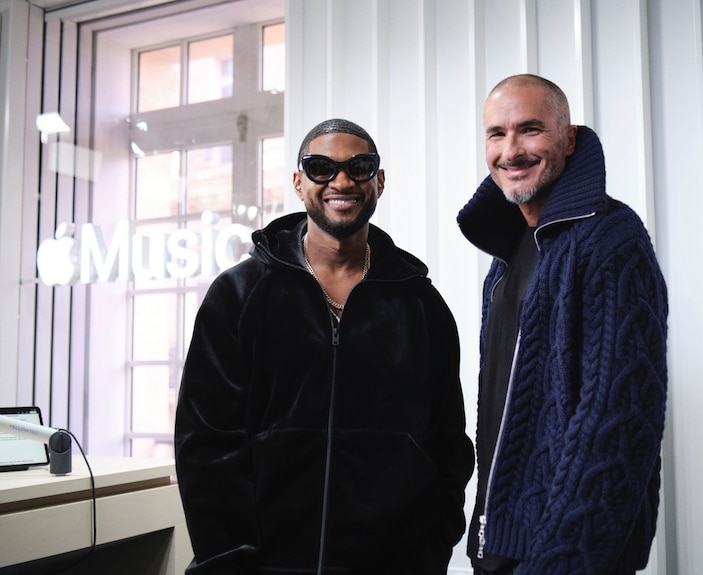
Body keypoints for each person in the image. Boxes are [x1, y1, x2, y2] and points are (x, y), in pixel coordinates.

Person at [175, 118, 474, 575]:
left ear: (379, 181)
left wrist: (428, 553)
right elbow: (205, 448)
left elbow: (448, 446)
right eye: (320, 167)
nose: (341, 181)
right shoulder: (239, 295)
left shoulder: (421, 304)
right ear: (298, 183)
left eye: (359, 167)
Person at [457, 74, 669, 575]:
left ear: (568, 137)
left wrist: (562, 560)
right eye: (496, 133)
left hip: (566, 555)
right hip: (498, 548)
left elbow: (619, 425)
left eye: (530, 130)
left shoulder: (611, 242)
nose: (510, 150)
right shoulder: (508, 254)